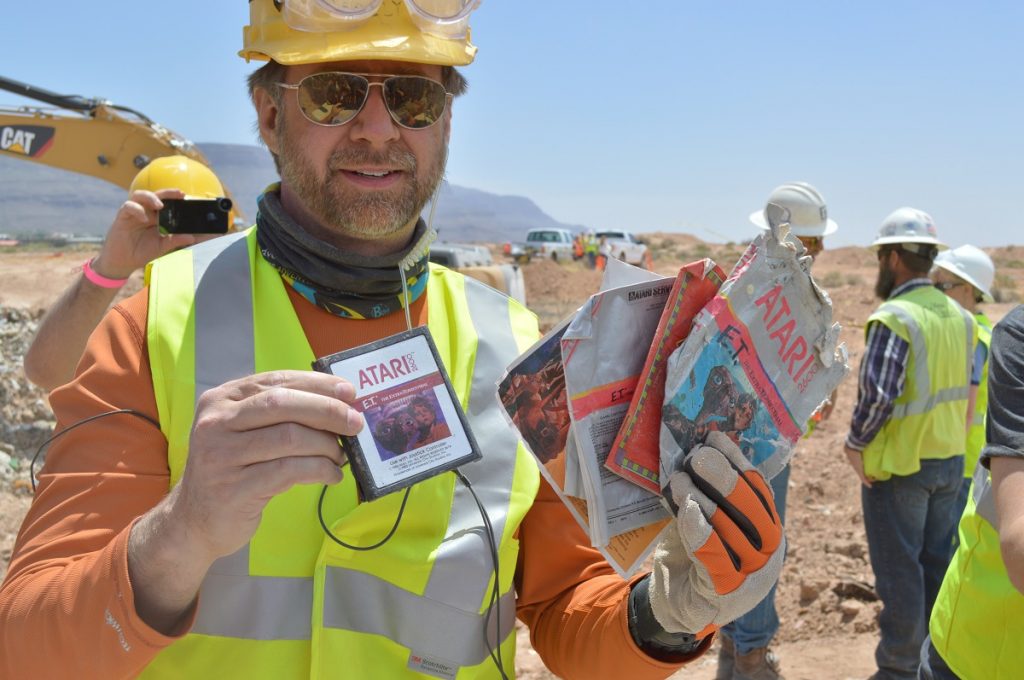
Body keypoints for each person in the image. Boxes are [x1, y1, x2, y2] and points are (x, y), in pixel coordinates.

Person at [0, 3, 785, 678]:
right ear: (269, 115)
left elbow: (564, 608)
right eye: (335, 95)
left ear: (446, 119)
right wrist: (178, 537)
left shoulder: (515, 355)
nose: (377, 130)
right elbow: (27, 649)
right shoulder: (152, 329)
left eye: (411, 97)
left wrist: (670, 613)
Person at [713, 181, 840, 680]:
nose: (823, 252)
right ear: (802, 241)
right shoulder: (787, 291)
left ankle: (734, 648)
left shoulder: (741, 280)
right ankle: (750, 655)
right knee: (761, 546)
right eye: (819, 242)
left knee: (733, 542)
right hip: (761, 446)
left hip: (730, 440)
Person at [843, 208, 977, 680]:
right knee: (937, 568)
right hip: (949, 463)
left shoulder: (894, 317)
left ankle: (900, 669)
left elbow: (878, 398)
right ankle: (937, 664)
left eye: (882, 256)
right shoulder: (960, 316)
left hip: (899, 469)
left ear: (894, 257)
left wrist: (855, 445)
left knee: (900, 575)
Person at [22, 155, 227, 391]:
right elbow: (48, 374)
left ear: (224, 222)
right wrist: (109, 267)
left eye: (200, 215)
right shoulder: (130, 322)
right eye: (170, 217)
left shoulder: (252, 296)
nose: (185, 231)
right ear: (139, 219)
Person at [919, 304, 1024, 679]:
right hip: (959, 459)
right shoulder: (979, 327)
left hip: (914, 461)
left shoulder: (899, 319)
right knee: (933, 556)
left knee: (913, 564)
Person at [930, 244, 996, 520]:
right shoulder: (984, 331)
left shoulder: (974, 338)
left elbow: (968, 411)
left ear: (968, 289)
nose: (937, 295)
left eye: (943, 285)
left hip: (962, 461)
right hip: (968, 459)